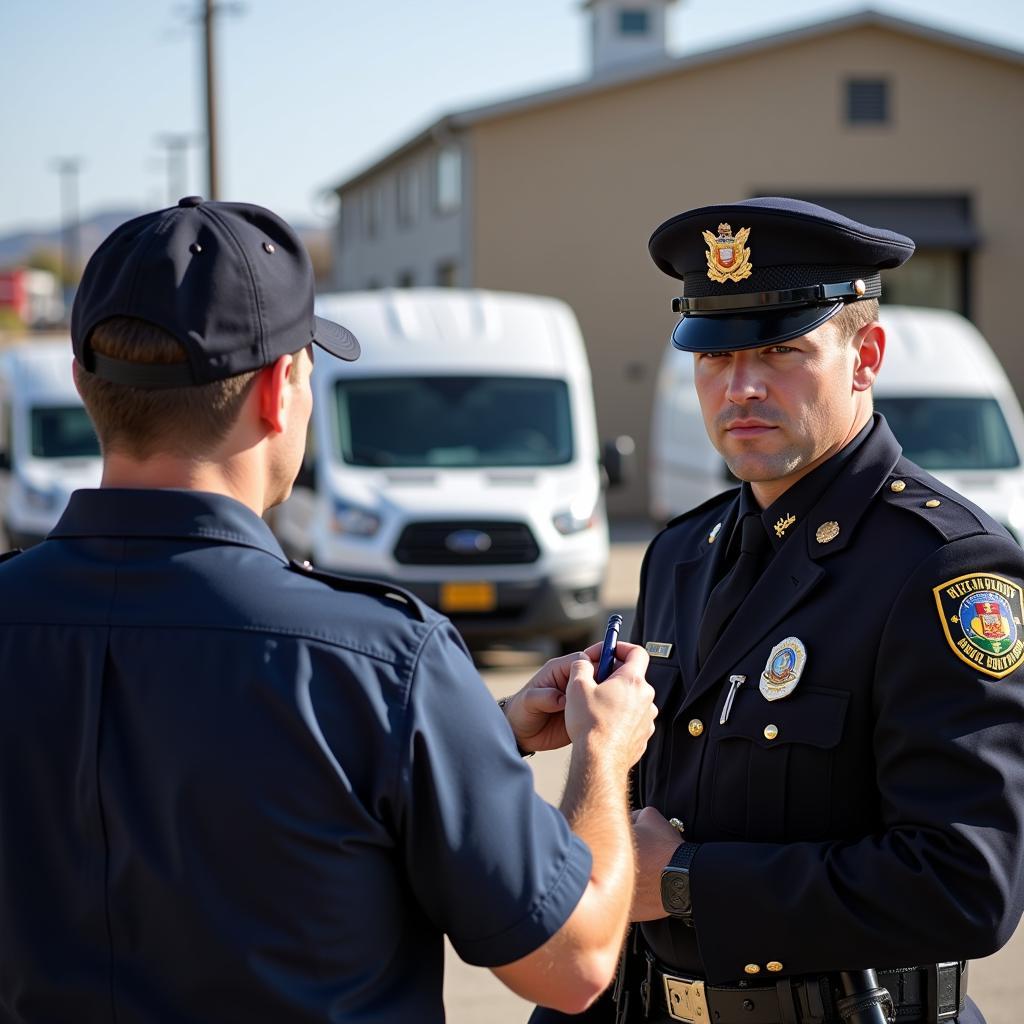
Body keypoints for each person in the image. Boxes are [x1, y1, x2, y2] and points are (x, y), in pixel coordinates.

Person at [0, 197, 658, 1023]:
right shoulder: (381, 660)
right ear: (280, 392)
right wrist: (606, 753)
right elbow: (574, 960)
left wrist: (470, 736)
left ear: (84, 386)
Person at [539, 196, 1024, 1024]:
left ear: (865, 355)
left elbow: (969, 882)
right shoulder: (682, 554)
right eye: (714, 357)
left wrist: (689, 880)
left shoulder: (945, 566)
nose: (742, 387)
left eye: (782, 350)